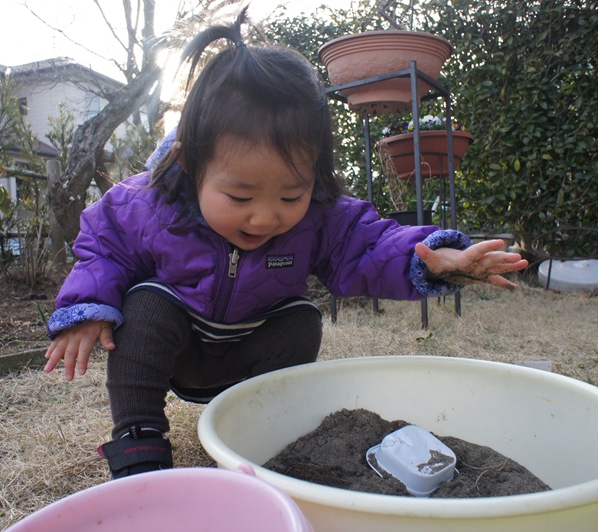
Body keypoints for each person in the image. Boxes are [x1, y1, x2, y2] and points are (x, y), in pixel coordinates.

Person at [43, 9, 528, 479]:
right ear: (190, 165)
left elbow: (368, 244)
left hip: (250, 353)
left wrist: (436, 259)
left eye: (290, 194)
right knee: (144, 308)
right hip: (180, 347)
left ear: (313, 178)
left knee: (300, 322)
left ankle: (256, 431)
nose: (265, 216)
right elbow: (103, 247)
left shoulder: (318, 216)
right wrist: (85, 307)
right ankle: (140, 442)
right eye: (240, 195)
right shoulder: (147, 203)